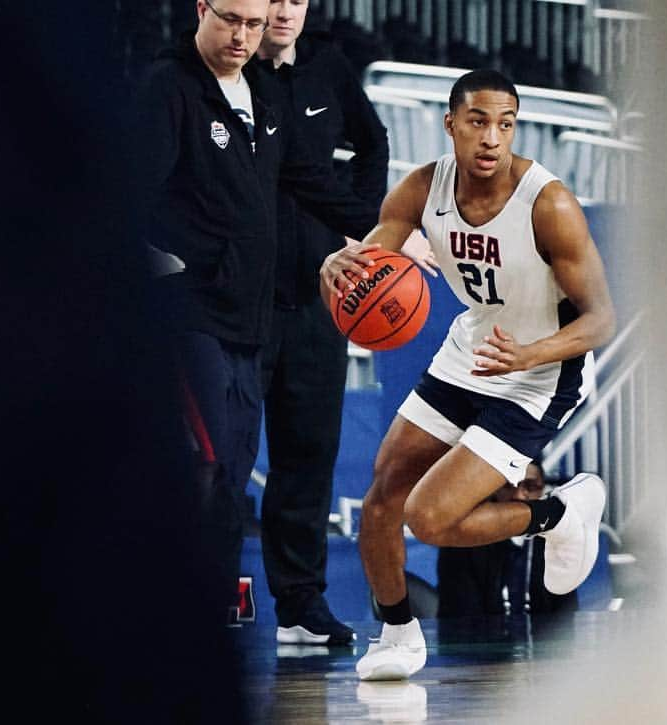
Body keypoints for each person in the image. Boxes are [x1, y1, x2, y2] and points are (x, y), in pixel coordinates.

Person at [319, 69, 616, 680]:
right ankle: (398, 637)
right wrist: (339, 265)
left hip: (539, 371)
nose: (492, 138)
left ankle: (557, 514)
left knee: (429, 517)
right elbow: (374, 259)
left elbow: (602, 320)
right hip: (469, 353)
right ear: (450, 123)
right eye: (478, 121)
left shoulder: (549, 204)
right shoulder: (421, 189)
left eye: (505, 124)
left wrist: (530, 357)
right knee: (381, 500)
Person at [126, 0, 379, 624]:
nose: (242, 36)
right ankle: (165, 607)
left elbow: (312, 181)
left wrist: (390, 235)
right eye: (231, 19)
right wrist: (166, 267)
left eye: (254, 24)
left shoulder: (261, 97)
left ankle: (208, 607)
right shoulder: (169, 87)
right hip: (195, 318)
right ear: (201, 9)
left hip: (250, 320)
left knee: (231, 474)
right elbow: (126, 194)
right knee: (204, 468)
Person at [250, 0, 388, 646]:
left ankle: (300, 602)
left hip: (319, 298)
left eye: (296, 0)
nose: (283, 12)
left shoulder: (329, 65)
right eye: (272, 0)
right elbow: (292, 173)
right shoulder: (228, 71)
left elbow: (374, 140)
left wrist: (360, 218)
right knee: (222, 462)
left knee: (309, 454)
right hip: (240, 300)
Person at [436, 460, 578, 618]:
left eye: (530, 486)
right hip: (480, 640)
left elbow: (566, 619)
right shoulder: (463, 542)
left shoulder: (557, 543)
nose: (518, 495)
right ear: (493, 490)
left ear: (543, 490)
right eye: (508, 485)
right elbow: (460, 618)